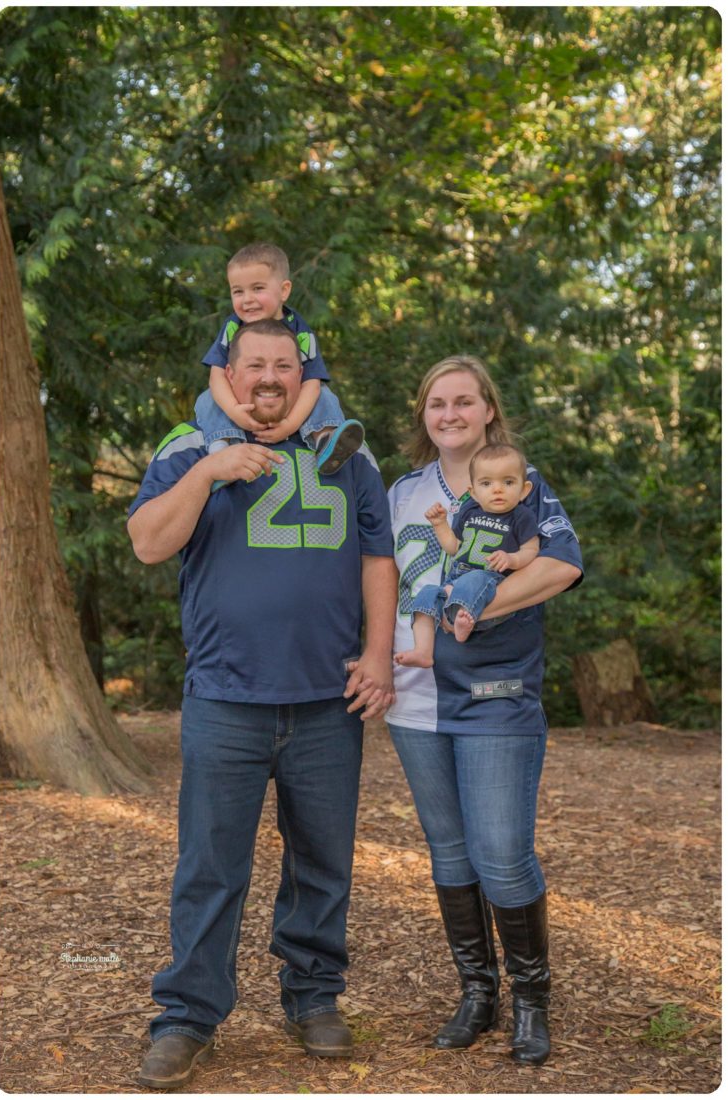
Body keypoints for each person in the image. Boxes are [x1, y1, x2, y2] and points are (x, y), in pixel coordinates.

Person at [128, 318, 396, 1090]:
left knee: (323, 861)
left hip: (325, 699)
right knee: (211, 864)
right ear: (230, 373)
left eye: (284, 363)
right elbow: (148, 541)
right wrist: (209, 473)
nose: (270, 376)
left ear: (302, 371)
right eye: (255, 365)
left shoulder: (343, 446)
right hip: (226, 696)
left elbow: (378, 552)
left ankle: (313, 997)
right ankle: (187, 1015)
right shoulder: (190, 442)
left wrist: (378, 653)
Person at [386, 355, 583, 1067]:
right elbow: (379, 580)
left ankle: (532, 1000)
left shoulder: (520, 487)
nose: (450, 415)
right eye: (436, 404)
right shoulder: (403, 492)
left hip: (495, 697)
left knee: (501, 855)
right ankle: (478, 993)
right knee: (450, 855)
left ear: (488, 410)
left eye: (463, 402)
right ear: (424, 416)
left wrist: (463, 605)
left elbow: (560, 566)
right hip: (414, 702)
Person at [194, 241, 364, 474]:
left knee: (325, 396)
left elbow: (311, 382)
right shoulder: (232, 327)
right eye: (238, 291)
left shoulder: (300, 331)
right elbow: (216, 375)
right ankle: (220, 449)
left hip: (289, 399)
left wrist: (289, 425)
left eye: (257, 289)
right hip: (243, 400)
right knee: (207, 398)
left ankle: (325, 440)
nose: (247, 299)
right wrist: (234, 411)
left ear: (284, 290)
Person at [395, 442, 539, 666]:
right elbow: (454, 547)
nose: (497, 489)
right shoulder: (470, 511)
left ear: (524, 490)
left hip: (490, 580)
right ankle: (422, 650)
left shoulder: (521, 516)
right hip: (456, 577)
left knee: (474, 579)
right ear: (473, 492)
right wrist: (440, 524)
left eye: (508, 482)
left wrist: (512, 559)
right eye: (486, 483)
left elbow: (531, 550)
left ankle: (461, 620)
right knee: (427, 594)